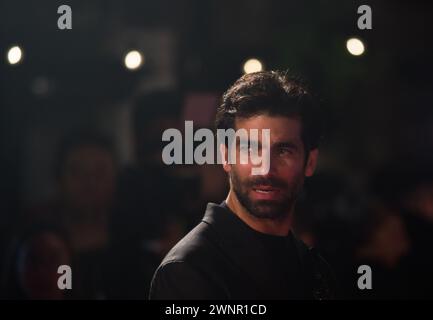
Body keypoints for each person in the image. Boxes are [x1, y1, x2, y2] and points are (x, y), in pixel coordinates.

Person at [149, 71, 335, 300]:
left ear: (310, 162)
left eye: (283, 150)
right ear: (225, 157)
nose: (265, 168)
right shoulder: (189, 270)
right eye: (251, 149)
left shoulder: (313, 268)